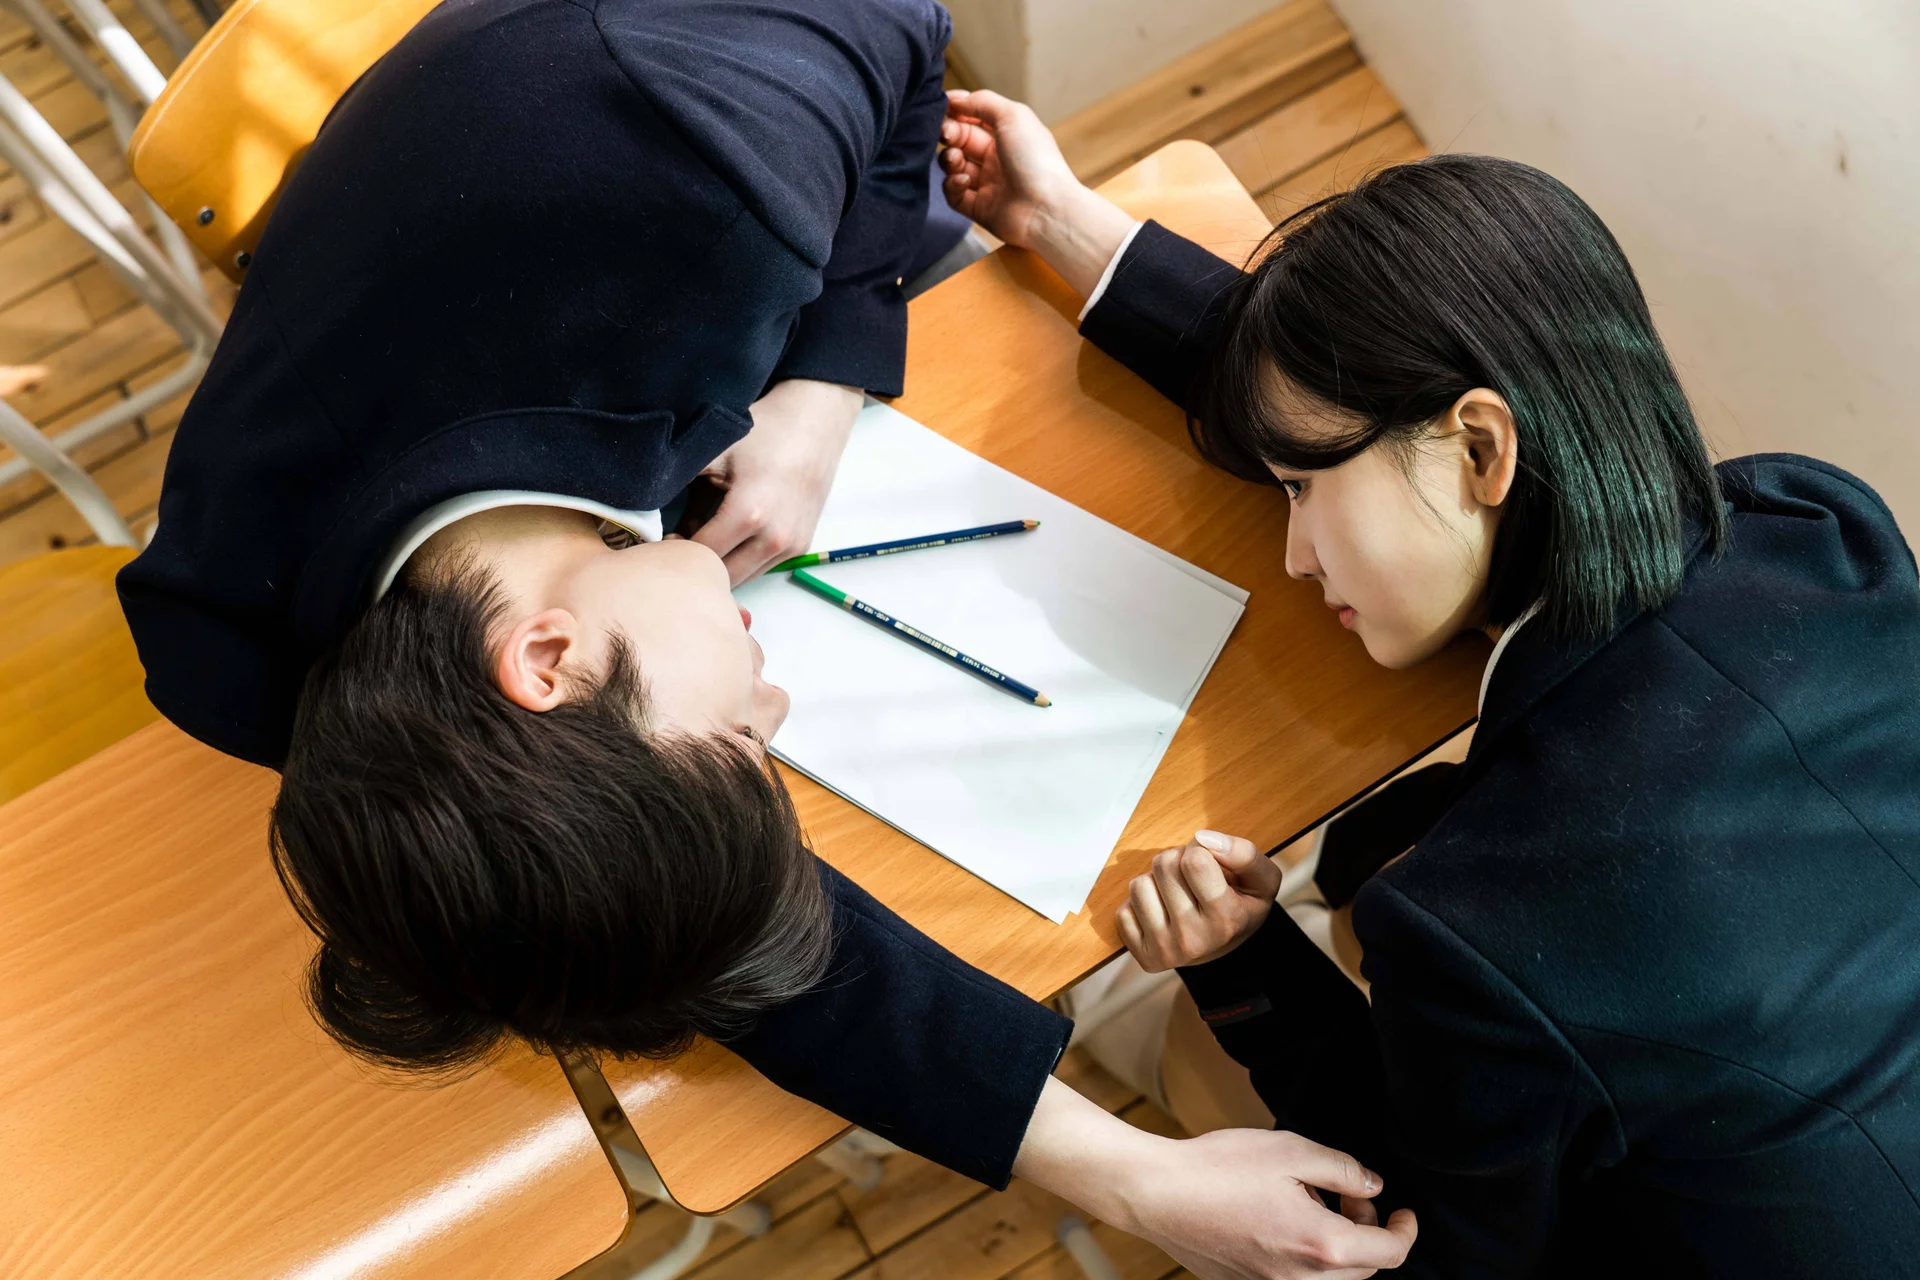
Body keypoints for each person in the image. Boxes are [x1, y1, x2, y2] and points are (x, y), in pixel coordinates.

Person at [114, 1, 1419, 1273]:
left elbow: (906, 31)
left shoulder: (703, 176)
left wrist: (827, 374)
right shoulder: (227, 663)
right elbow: (646, 905)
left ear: (550, 661)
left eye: (736, 737)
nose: (774, 707)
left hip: (747, 184)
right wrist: (1130, 1172)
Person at [940, 89, 1920, 1274]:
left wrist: (1241, 961)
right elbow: (1363, 402)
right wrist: (1065, 222)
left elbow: (1414, 1236)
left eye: (1303, 489)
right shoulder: (1815, 528)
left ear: (1484, 447)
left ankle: (1123, 1025)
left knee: (1166, 1036)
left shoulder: (1481, 931)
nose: (1295, 552)